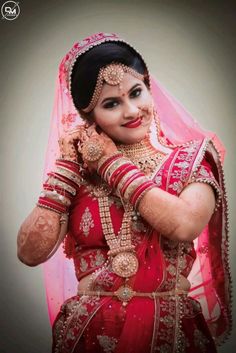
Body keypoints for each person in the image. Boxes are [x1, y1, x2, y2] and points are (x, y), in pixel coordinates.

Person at [17, 32, 232, 353]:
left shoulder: (191, 160)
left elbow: (185, 224)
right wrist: (66, 168)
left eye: (136, 92)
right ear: (89, 118)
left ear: (148, 86)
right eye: (112, 104)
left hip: (172, 333)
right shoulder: (76, 173)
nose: (131, 111)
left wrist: (110, 163)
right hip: (90, 333)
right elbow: (29, 253)